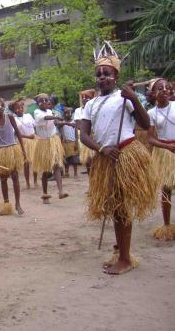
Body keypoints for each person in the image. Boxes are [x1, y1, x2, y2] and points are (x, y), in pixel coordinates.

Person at [80, 42, 157, 274]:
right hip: (105, 157)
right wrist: (101, 149)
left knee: (122, 207)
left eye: (107, 73)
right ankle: (121, 254)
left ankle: (125, 258)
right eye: (99, 74)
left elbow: (145, 124)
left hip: (126, 155)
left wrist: (133, 98)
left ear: (116, 76)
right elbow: (83, 135)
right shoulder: (91, 104)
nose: (102, 77)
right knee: (114, 207)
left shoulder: (124, 98)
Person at [147, 78, 175, 240]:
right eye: (160, 88)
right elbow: (150, 138)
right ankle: (167, 225)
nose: (165, 90)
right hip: (164, 153)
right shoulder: (151, 113)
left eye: (167, 87)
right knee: (166, 190)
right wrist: (167, 147)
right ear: (153, 94)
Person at [0, 97, 26, 215]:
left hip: (12, 149)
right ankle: (6, 204)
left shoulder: (10, 117)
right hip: (0, 151)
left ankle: (18, 204)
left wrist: (23, 150)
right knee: (3, 179)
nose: (0, 108)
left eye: (2, 105)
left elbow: (18, 133)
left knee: (15, 177)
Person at [32, 93, 68, 204]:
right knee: (46, 170)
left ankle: (61, 191)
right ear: (38, 103)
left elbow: (54, 122)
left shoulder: (50, 111)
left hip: (53, 141)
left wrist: (66, 123)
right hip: (43, 143)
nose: (44, 102)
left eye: (46, 100)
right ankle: (45, 194)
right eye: (41, 101)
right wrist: (55, 117)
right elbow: (46, 118)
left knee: (57, 166)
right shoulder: (37, 112)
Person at [12, 99, 38, 189]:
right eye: (17, 107)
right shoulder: (14, 119)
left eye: (21, 107)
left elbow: (35, 126)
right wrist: (28, 137)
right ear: (14, 109)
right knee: (26, 163)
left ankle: (35, 180)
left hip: (33, 141)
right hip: (22, 142)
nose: (20, 109)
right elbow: (15, 133)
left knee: (35, 162)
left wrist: (35, 136)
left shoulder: (29, 116)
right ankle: (27, 182)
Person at [74, 89, 96, 174]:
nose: (84, 100)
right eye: (83, 99)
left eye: (87, 99)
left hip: (96, 136)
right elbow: (78, 125)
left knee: (95, 158)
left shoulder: (95, 109)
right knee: (88, 159)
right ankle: (91, 178)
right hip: (85, 136)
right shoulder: (78, 111)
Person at [57, 107, 79, 178]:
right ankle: (67, 173)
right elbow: (59, 127)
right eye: (67, 113)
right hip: (65, 143)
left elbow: (76, 133)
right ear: (64, 114)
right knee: (66, 159)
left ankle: (75, 173)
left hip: (73, 142)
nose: (69, 114)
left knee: (74, 159)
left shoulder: (74, 122)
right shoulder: (62, 123)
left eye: (70, 113)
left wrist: (76, 142)